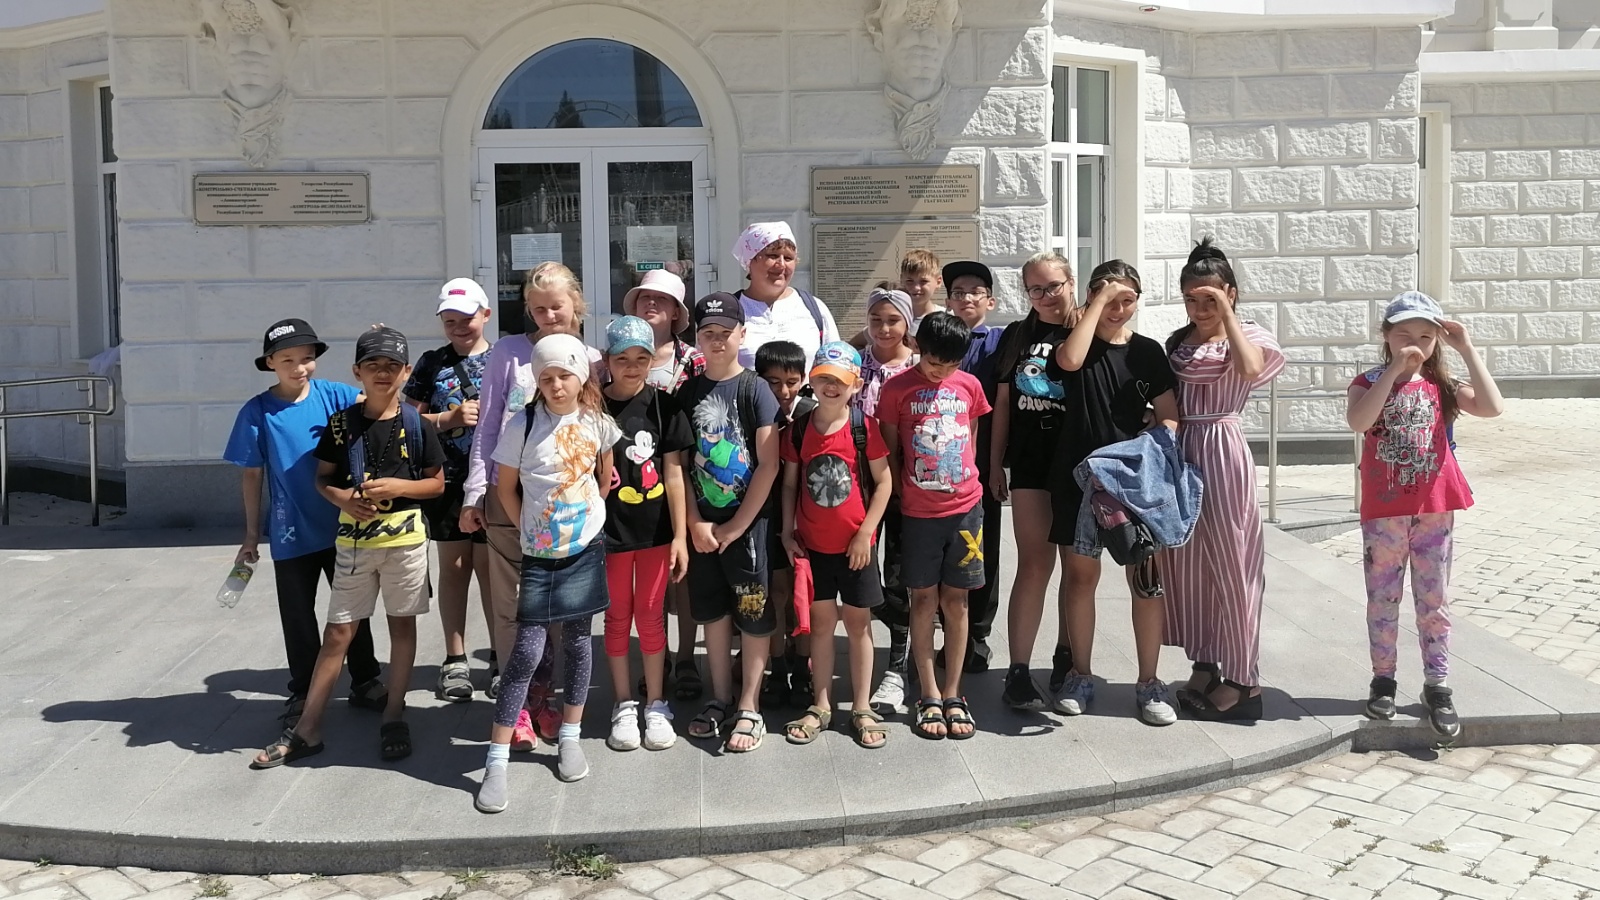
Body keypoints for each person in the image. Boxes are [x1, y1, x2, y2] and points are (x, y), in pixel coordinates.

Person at [251, 325, 446, 768]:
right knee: (339, 631)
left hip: (406, 546)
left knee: (401, 627)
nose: (383, 373)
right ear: (357, 372)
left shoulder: (416, 424)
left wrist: (399, 486)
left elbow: (436, 484)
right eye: (373, 365)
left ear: (406, 372)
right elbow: (323, 478)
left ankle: (394, 715)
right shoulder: (341, 424)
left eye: (392, 365)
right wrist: (343, 499)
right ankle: (308, 727)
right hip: (354, 546)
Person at [1346, 291, 1502, 738]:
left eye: (1425, 336)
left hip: (1434, 509)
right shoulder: (1368, 381)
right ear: (1386, 336)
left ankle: (1438, 683)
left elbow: (1492, 406)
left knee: (1434, 599)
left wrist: (1466, 349)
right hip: (1385, 512)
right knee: (1383, 598)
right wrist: (1394, 371)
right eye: (1404, 335)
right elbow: (1359, 421)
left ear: (1437, 340)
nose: (1414, 343)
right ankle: (1383, 680)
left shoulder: (1444, 386)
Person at [475, 333, 621, 809]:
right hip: (539, 554)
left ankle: (570, 738)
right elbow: (506, 487)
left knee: (578, 643)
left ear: (580, 377)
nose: (556, 385)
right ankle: (496, 760)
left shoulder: (598, 421)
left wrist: (590, 517)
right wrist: (528, 530)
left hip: (585, 548)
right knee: (526, 652)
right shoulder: (523, 424)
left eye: (564, 375)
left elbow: (603, 476)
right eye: (546, 378)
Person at [461, 261, 597, 747]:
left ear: (575, 304)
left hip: (565, 503)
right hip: (508, 494)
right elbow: (489, 424)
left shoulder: (592, 358)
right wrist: (475, 491)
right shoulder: (507, 353)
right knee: (512, 606)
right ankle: (517, 705)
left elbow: (595, 427)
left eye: (556, 306)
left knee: (559, 610)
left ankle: (546, 701)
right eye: (538, 309)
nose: (548, 316)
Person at [225, 318, 385, 727]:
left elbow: (381, 401)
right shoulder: (257, 412)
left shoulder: (335, 395)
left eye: (307, 358)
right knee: (297, 614)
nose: (300, 368)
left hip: (344, 524)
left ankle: (365, 679)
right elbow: (251, 475)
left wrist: (375, 349)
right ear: (270, 363)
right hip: (290, 530)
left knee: (353, 608)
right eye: (288, 360)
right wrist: (250, 535)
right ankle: (303, 691)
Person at [1050, 261, 1180, 727]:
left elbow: (1170, 415)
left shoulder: (1148, 352)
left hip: (1133, 482)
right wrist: (1099, 301)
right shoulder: (1076, 341)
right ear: (1091, 296)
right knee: (1080, 578)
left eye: (1128, 300)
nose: (1118, 309)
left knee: (1145, 581)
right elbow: (1069, 361)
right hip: (1080, 480)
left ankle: (1149, 682)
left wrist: (1153, 436)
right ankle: (1080, 675)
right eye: (1110, 299)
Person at [1161, 241, 1286, 723]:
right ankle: (1206, 661)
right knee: (1190, 564)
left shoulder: (1249, 334)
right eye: (1191, 298)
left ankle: (1243, 680)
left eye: (1210, 298)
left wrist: (1227, 315)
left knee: (1235, 562)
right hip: (1183, 449)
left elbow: (1252, 370)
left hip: (1222, 446)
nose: (1199, 308)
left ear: (1231, 293)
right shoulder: (1179, 341)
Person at [876, 312, 992, 740]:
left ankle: (953, 693)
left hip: (966, 509)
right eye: (932, 363)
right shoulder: (896, 389)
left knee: (957, 601)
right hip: (918, 513)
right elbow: (890, 450)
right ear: (916, 347)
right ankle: (927, 693)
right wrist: (900, 495)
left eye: (950, 365)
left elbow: (971, 436)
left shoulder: (970, 386)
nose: (940, 372)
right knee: (923, 600)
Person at [679, 292, 781, 753]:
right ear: (697, 338)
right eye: (708, 334)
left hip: (748, 525)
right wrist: (694, 522)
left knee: (753, 613)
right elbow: (679, 465)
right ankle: (719, 697)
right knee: (713, 613)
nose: (717, 341)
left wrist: (738, 525)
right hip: (704, 526)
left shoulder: (755, 389)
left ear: (742, 333)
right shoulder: (687, 393)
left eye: (726, 333)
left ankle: (749, 704)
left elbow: (768, 464)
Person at [779, 342, 894, 749]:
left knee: (859, 625)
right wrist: (787, 531)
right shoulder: (799, 429)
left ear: (856, 385)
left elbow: (884, 482)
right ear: (812, 380)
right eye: (824, 378)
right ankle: (822, 704)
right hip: (813, 547)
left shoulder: (864, 427)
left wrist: (865, 533)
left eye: (839, 381)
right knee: (822, 625)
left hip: (856, 548)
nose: (831, 386)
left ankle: (861, 706)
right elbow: (790, 484)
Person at [600, 316, 692, 752]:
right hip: (609, 535)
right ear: (607, 360)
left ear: (653, 359)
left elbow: (674, 475)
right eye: (623, 359)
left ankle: (656, 702)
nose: (632, 367)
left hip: (656, 534)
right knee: (617, 616)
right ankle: (623, 703)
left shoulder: (663, 406)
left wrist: (680, 536)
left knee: (652, 615)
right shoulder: (593, 408)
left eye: (641, 358)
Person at [991, 251, 1077, 712]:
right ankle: (1019, 670)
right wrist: (994, 463)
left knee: (1076, 566)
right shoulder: (1018, 335)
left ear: (1071, 282)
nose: (1046, 296)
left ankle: (1067, 657)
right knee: (1034, 563)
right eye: (1036, 289)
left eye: (1054, 286)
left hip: (1078, 460)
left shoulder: (1086, 329)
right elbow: (1004, 403)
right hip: (1029, 460)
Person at [405, 278, 495, 702]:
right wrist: (449, 419)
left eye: (467, 318)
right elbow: (406, 420)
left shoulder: (505, 358)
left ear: (486, 314)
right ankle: (455, 658)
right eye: (449, 321)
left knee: (493, 572)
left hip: (496, 482)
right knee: (455, 568)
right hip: (448, 482)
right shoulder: (431, 363)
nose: (459, 327)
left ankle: (501, 656)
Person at [620, 269, 706, 700]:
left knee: (683, 576)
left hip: (687, 478)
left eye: (662, 299)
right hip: (632, 491)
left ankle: (686, 657)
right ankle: (657, 658)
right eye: (644, 297)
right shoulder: (613, 360)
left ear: (676, 312)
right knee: (646, 585)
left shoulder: (695, 360)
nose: (651, 303)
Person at [855, 287, 918, 713]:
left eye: (893, 320)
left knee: (898, 575)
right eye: (876, 319)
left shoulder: (918, 366)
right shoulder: (853, 364)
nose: (883, 328)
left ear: (907, 323)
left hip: (906, 486)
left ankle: (897, 667)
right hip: (856, 486)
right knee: (862, 575)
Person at [945, 261, 1006, 674]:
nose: (966, 298)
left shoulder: (1000, 340)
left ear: (990, 300)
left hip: (982, 463)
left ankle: (978, 635)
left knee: (982, 548)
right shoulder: (936, 336)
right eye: (958, 292)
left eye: (975, 291)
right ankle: (944, 629)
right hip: (937, 465)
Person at [756, 340, 817, 709]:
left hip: (807, 519)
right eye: (773, 382)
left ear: (803, 380)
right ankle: (777, 668)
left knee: (804, 595)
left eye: (792, 382)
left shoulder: (812, 415)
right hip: (767, 517)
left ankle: (804, 669)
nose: (783, 391)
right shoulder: (755, 412)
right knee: (776, 595)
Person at [731, 222, 840, 369]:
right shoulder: (730, 311)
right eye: (773, 256)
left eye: (788, 258)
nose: (781, 264)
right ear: (750, 261)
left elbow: (834, 366)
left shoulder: (814, 308)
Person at [849, 250, 944, 349]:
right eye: (910, 281)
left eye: (923, 281)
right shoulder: (889, 315)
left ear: (938, 282)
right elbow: (854, 344)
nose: (916, 287)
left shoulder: (946, 317)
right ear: (902, 279)